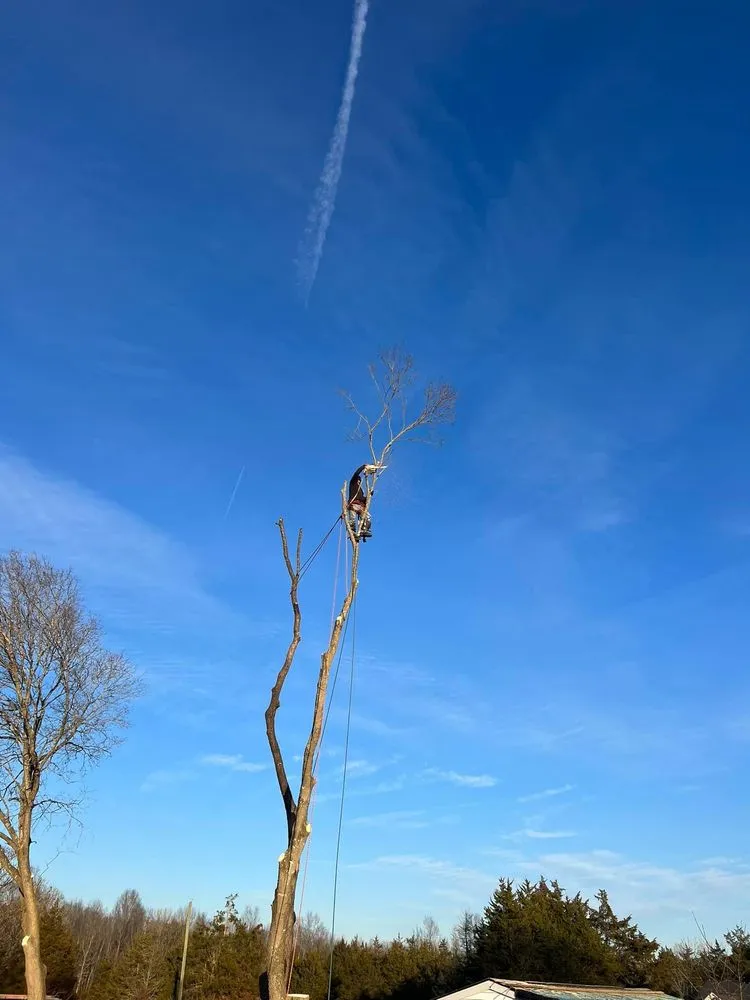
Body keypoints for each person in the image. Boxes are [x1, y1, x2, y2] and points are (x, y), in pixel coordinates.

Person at [346, 463, 377, 540]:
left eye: (360, 481)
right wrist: (364, 466)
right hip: (353, 504)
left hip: (361, 506)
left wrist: (369, 496)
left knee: (367, 516)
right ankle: (352, 533)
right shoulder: (353, 483)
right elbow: (356, 473)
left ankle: (364, 530)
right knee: (352, 520)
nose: (359, 482)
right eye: (358, 480)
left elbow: (363, 499)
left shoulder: (360, 490)